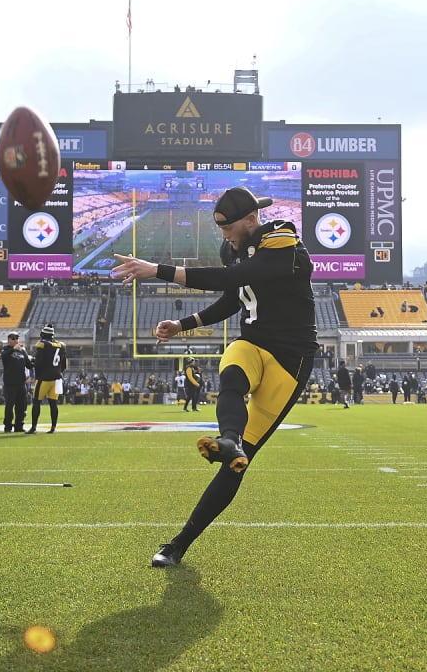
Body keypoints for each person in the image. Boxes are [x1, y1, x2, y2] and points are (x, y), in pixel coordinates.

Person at [111, 185, 316, 569]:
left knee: (237, 466)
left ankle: (180, 542)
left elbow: (230, 279)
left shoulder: (283, 242)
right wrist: (183, 324)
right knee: (232, 374)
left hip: (291, 359)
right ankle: (229, 439)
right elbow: (231, 299)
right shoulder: (235, 248)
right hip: (254, 343)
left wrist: (157, 270)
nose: (223, 234)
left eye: (227, 226)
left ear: (251, 220)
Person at [27, 324, 66, 434]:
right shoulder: (61, 346)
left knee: (36, 402)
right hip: (57, 378)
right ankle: (53, 427)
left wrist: (33, 363)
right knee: (53, 404)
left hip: (44, 378)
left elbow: (38, 363)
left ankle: (34, 427)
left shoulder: (42, 345)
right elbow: (64, 365)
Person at [0, 332, 33, 433]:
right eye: (13, 339)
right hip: (10, 383)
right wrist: (13, 349)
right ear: (9, 340)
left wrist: (37, 361)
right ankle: (8, 426)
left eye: (17, 338)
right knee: (9, 405)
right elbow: (4, 356)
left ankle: (19, 425)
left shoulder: (22, 351)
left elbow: (29, 364)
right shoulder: (6, 350)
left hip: (21, 383)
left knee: (20, 406)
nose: (15, 340)